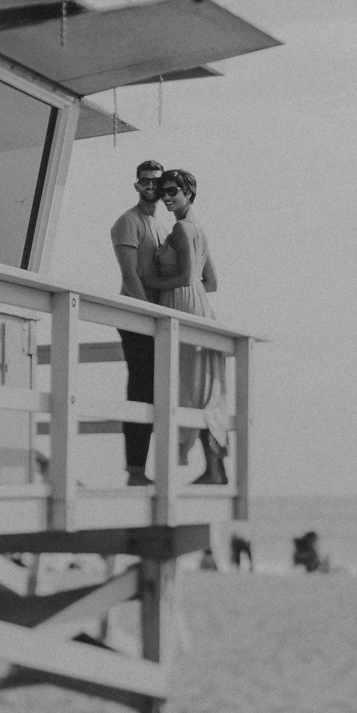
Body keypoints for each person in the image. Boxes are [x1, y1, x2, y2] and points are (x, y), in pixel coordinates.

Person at [145, 169, 228, 484]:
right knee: (203, 387)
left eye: (173, 191)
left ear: (189, 193)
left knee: (190, 387)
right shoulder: (199, 229)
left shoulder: (181, 229)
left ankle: (213, 469)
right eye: (163, 192)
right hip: (198, 306)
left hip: (181, 304)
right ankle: (216, 469)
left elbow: (186, 277)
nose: (166, 197)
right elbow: (211, 283)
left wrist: (151, 283)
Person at [108, 158, 168, 487]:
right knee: (140, 389)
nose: (151, 187)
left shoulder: (160, 226)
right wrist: (150, 317)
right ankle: (134, 469)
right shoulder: (127, 222)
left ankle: (146, 469)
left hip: (156, 321)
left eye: (156, 182)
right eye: (145, 181)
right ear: (137, 185)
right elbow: (130, 276)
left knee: (157, 392)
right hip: (137, 317)